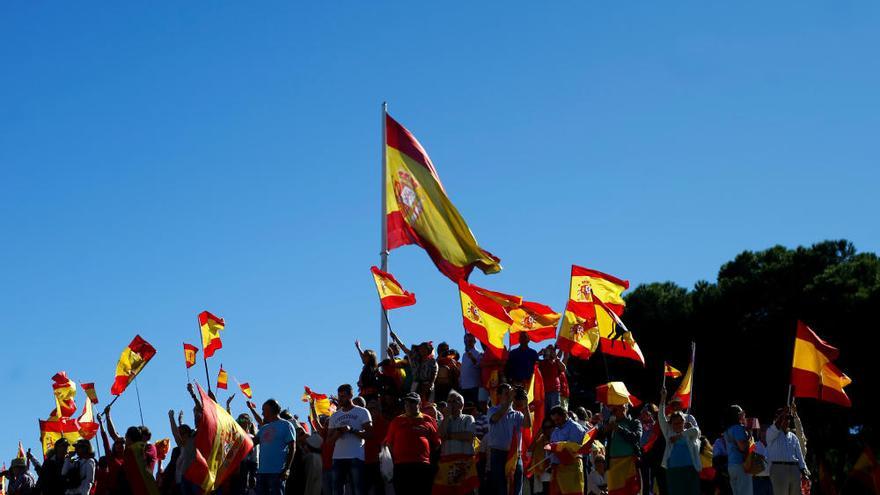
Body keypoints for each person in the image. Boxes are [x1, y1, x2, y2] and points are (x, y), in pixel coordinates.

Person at [383, 392, 440, 495]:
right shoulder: (396, 421)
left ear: (420, 405)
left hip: (422, 466)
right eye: (406, 402)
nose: (408, 405)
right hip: (401, 467)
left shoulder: (429, 420)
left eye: (412, 402)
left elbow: (436, 443)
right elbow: (389, 444)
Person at [485, 384, 531, 495]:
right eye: (506, 393)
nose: (510, 395)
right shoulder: (492, 410)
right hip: (498, 454)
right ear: (499, 395)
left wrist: (526, 406)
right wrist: (509, 401)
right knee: (500, 487)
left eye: (511, 393)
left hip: (515, 455)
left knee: (516, 486)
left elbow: (527, 425)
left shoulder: (517, 414)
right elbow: (496, 418)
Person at [328, 384, 372, 495]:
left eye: (343, 396)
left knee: (358, 490)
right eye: (339, 396)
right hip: (338, 458)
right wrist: (338, 432)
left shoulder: (362, 412)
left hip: (356, 457)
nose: (340, 399)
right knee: (336, 491)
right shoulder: (334, 416)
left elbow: (369, 434)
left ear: (350, 395)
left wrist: (351, 430)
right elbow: (328, 441)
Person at [658, 388, 701, 495]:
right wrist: (663, 399)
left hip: (690, 469)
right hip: (674, 471)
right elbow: (661, 417)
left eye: (680, 422)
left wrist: (680, 435)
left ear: (684, 422)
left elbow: (697, 431)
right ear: (671, 424)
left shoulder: (689, 433)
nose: (678, 425)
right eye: (675, 423)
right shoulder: (668, 433)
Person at [435, 391, 478, 494]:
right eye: (449, 401)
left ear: (461, 405)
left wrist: (449, 436)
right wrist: (445, 417)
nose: (450, 404)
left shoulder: (468, 418)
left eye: (454, 401)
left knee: (465, 491)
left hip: (464, 465)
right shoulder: (444, 420)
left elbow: (469, 436)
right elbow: (440, 435)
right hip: (448, 464)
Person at [255, 399, 296, 495]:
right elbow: (251, 442)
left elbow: (292, 448)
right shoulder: (264, 428)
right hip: (261, 473)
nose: (262, 413)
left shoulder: (286, 425)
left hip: (277, 473)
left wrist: (287, 469)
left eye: (264, 410)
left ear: (271, 410)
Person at [766, 407, 809, 495]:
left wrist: (804, 471)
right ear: (777, 419)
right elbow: (776, 427)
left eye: (788, 418)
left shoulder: (793, 437)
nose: (786, 420)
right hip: (778, 468)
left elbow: (800, 456)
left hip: (794, 469)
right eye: (783, 418)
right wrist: (782, 415)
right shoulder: (771, 433)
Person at [602, 401, 642, 495]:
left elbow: (636, 437)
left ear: (626, 408)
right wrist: (604, 430)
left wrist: (619, 429)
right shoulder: (610, 423)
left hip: (629, 464)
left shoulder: (634, 422)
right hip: (613, 465)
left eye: (621, 407)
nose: (616, 410)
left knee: (630, 491)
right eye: (614, 409)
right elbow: (599, 437)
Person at [547, 405, 587, 495]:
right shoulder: (555, 431)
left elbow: (574, 449)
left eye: (557, 420)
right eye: (554, 421)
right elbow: (551, 449)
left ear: (565, 415)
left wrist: (561, 448)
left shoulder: (575, 428)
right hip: (558, 471)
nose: (556, 423)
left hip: (572, 469)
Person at [723, 405, 752, 495]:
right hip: (741, 466)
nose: (743, 415)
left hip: (731, 466)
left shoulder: (727, 430)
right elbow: (743, 447)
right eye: (741, 413)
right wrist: (749, 436)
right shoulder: (738, 428)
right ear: (736, 416)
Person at [363, 397, 390, 495]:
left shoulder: (386, 424)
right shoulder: (363, 424)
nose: (370, 411)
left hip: (379, 463)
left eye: (373, 408)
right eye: (369, 409)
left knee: (380, 489)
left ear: (379, 410)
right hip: (365, 462)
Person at [538, 346, 566, 414]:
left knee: (555, 412)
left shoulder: (556, 361)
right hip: (543, 392)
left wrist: (556, 358)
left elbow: (563, 368)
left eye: (552, 350)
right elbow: (531, 361)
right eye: (549, 350)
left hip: (554, 391)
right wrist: (538, 354)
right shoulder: (541, 362)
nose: (550, 352)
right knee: (544, 413)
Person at [460, 334, 483, 405]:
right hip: (464, 387)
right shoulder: (464, 355)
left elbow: (479, 366)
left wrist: (472, 357)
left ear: (474, 341)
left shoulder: (479, 353)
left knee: (475, 407)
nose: (467, 342)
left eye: (470, 340)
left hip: (474, 386)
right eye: (466, 341)